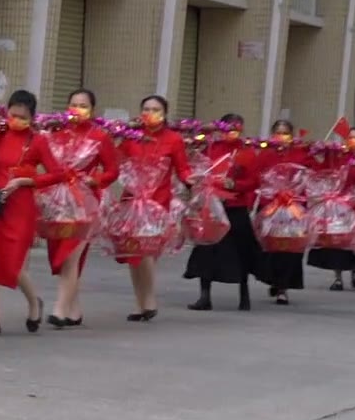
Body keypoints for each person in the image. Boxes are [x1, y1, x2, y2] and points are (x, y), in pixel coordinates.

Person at [0, 90, 63, 335]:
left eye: (23, 117)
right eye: (13, 115)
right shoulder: (0, 135)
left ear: (32, 117)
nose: (16, 120)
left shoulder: (38, 141)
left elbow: (57, 173)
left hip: (21, 206)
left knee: (14, 264)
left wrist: (26, 181)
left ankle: (34, 302)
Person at [113, 94, 192, 322]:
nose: (150, 113)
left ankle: (149, 300)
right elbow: (117, 161)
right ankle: (140, 304)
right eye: (146, 108)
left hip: (157, 202)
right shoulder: (131, 138)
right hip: (132, 200)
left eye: (156, 109)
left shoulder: (174, 139)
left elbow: (182, 168)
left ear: (165, 114)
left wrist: (191, 180)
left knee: (146, 253)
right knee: (133, 253)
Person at [44, 88, 118, 328]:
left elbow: (112, 170)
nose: (77, 109)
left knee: (70, 255)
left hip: (85, 202)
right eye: (73, 104)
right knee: (61, 255)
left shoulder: (100, 137)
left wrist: (95, 179)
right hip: (59, 203)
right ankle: (74, 310)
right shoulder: (55, 134)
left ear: (93, 110)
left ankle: (59, 309)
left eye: (83, 105)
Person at [184, 114, 262, 312]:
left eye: (236, 127)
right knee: (207, 250)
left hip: (236, 206)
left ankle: (244, 296)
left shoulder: (247, 152)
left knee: (241, 252)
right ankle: (204, 296)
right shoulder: (212, 147)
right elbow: (196, 158)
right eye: (227, 127)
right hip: (212, 206)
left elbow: (254, 181)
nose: (231, 132)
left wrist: (234, 184)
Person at [310, 129, 355, 291]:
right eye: (351, 137)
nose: (353, 140)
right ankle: (337, 278)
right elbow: (325, 172)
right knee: (336, 242)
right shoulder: (340, 157)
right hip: (338, 206)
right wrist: (321, 155)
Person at [254, 119, 310, 304]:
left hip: (293, 206)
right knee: (272, 247)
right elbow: (258, 177)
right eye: (278, 132)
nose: (281, 136)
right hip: (271, 205)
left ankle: (283, 286)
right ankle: (274, 280)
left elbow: (309, 175)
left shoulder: (300, 153)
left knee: (291, 248)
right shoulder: (265, 153)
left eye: (285, 133)